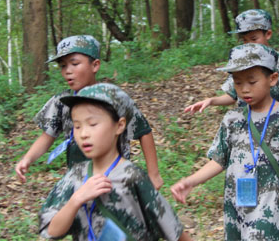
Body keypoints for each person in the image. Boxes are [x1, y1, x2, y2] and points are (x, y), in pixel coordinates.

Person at [172, 43, 279, 240]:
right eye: (238, 82)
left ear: (272, 79)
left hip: (272, 211)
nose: (244, 89)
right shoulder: (233, 119)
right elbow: (219, 160)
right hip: (237, 211)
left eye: (252, 81)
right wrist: (190, 181)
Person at [39, 83, 191, 241]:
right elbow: (52, 231)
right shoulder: (74, 176)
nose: (83, 134)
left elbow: (173, 229)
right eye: (77, 126)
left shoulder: (132, 176)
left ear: (119, 126)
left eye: (92, 124)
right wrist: (76, 199)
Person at [15, 35, 163, 190]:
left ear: (95, 65)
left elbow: (143, 132)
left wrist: (153, 174)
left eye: (75, 64)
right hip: (79, 183)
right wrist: (27, 159)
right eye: (63, 66)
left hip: (116, 181)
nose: (68, 71)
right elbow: (47, 136)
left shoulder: (115, 98)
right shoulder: (61, 102)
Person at [185, 9, 279, 113]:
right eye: (245, 40)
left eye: (254, 39)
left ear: (268, 34)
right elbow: (232, 95)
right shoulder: (241, 62)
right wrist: (211, 101)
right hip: (247, 120)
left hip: (277, 119)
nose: (249, 44)